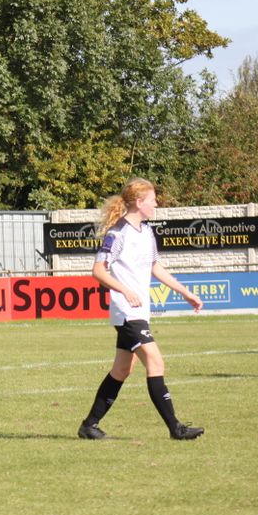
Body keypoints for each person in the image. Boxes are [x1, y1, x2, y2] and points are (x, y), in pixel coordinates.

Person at [77, 178, 205, 441]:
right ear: (139, 202)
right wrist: (124, 289)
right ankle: (175, 428)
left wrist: (185, 292)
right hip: (126, 312)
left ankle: (89, 425)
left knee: (122, 370)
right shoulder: (117, 233)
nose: (156, 203)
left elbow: (155, 267)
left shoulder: (146, 232)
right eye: (152, 199)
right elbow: (98, 270)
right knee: (156, 361)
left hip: (138, 311)